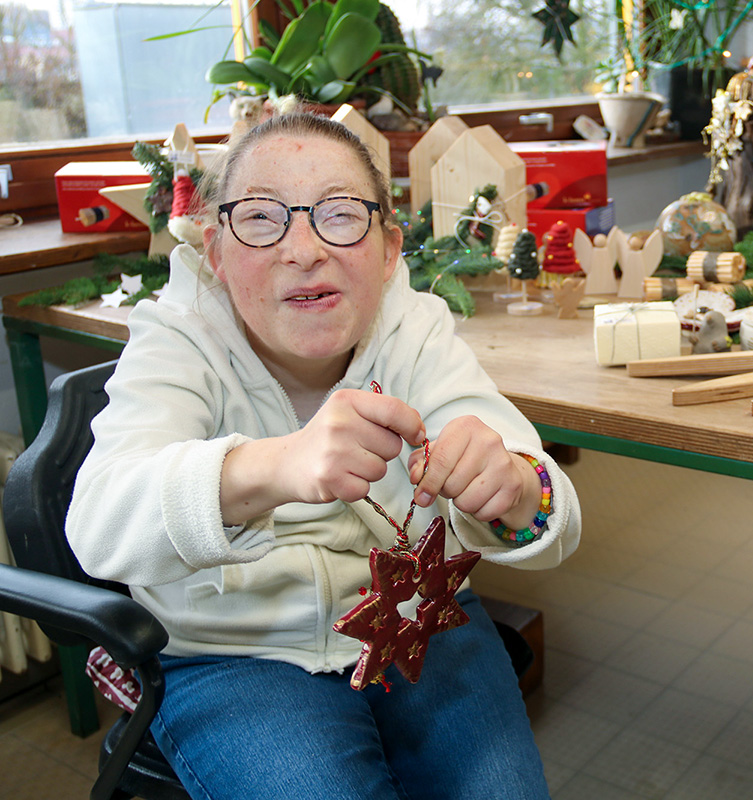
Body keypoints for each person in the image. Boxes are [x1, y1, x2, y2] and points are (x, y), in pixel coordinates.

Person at [66, 111, 581, 800]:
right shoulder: (176, 339)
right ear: (216, 252)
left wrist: (517, 489)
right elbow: (98, 523)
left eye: (340, 216)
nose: (304, 249)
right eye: (260, 218)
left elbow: (522, 473)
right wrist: (272, 467)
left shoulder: (414, 328)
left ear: (390, 248)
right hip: (233, 654)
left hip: (415, 621)